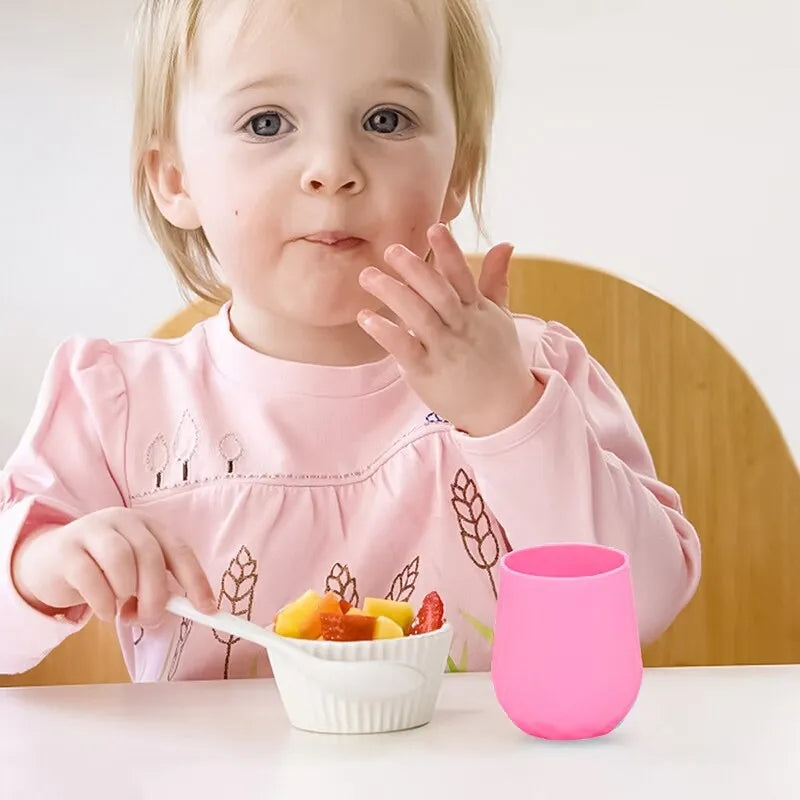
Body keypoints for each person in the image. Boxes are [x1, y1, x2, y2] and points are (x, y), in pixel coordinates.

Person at [0, 0, 700, 682]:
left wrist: (508, 415)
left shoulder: (530, 374)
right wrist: (43, 567)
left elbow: (642, 608)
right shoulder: (117, 404)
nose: (332, 167)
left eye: (386, 119)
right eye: (266, 121)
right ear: (176, 179)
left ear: (457, 171)